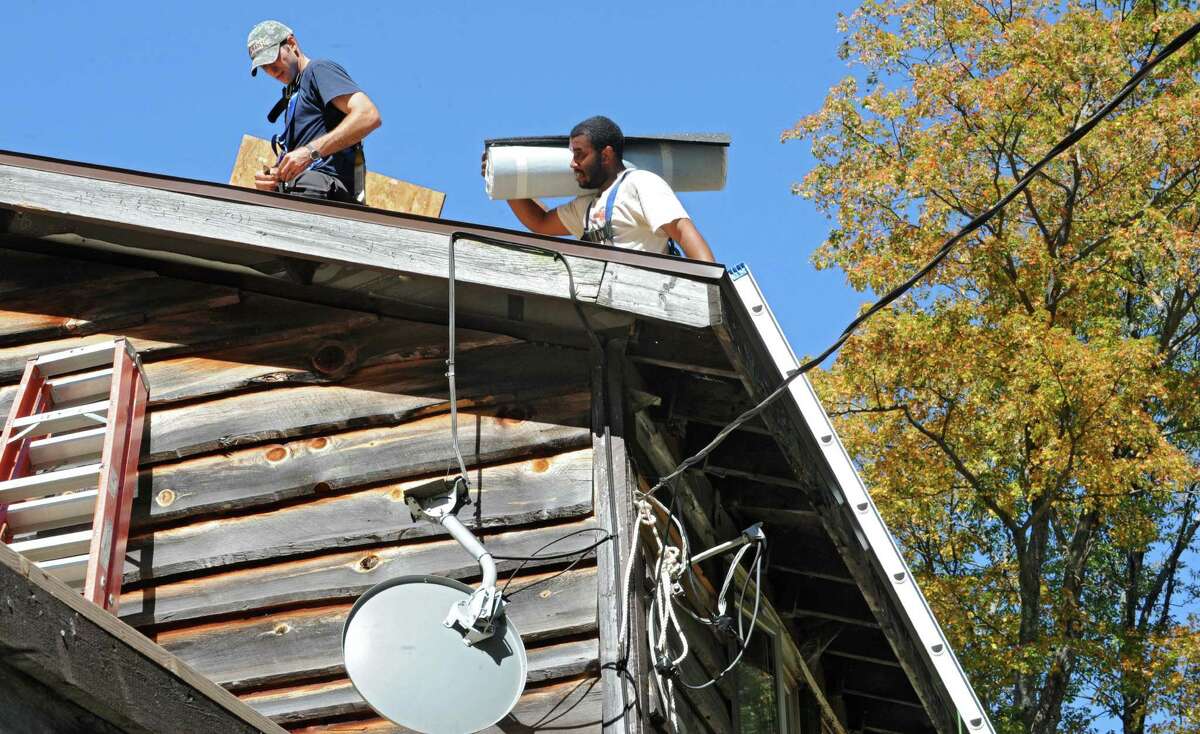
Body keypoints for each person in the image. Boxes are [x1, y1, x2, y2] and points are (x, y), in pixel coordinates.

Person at [489, 116, 716, 262]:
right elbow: (539, 222)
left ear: (606, 155)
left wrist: (711, 289)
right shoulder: (587, 206)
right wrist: (504, 179)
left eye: (580, 154)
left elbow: (683, 232)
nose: (573, 163)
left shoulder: (640, 184)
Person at [247, 20, 381, 203]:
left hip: (325, 192)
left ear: (292, 44)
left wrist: (310, 152)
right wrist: (274, 178)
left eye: (272, 58)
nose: (271, 70)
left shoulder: (318, 70)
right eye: (264, 67)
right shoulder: (294, 95)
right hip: (305, 190)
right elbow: (300, 159)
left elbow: (368, 115)